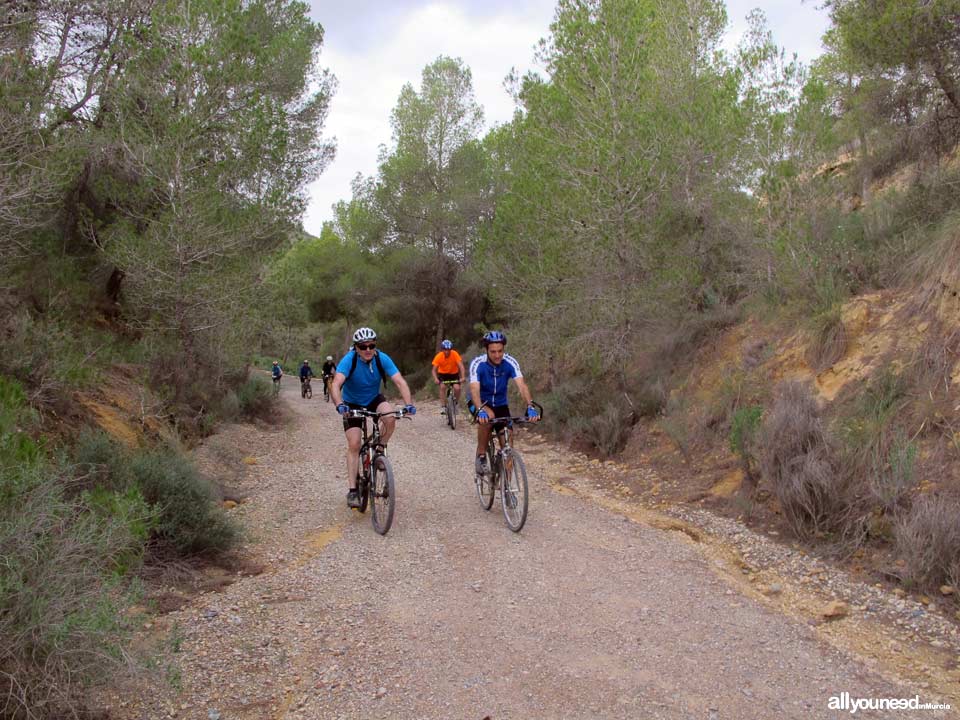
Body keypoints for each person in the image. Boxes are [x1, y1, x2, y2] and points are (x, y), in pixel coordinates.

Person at [330, 327, 416, 508]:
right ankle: (353, 491)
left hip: (373, 399)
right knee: (354, 444)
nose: (368, 349)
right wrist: (340, 405)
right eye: (363, 346)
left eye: (371, 345)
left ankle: (380, 448)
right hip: (351, 403)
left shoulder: (381, 358)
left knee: (390, 418)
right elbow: (336, 384)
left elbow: (399, 381)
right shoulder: (349, 360)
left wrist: (409, 404)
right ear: (356, 347)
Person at [468, 330, 539, 475]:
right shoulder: (478, 363)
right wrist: (480, 409)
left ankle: (506, 487)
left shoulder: (509, 362)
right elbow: (474, 389)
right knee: (488, 417)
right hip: (479, 403)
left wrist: (530, 406)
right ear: (486, 350)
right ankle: (481, 455)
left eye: (500, 351)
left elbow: (522, 385)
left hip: (501, 405)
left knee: (508, 440)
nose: (497, 355)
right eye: (493, 351)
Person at [431, 339, 466, 413]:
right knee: (442, 387)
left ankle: (456, 404)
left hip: (454, 374)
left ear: (451, 349)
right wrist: (435, 379)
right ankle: (443, 406)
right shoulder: (439, 356)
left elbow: (461, 367)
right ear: (442, 349)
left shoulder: (455, 354)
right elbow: (433, 370)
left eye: (448, 350)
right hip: (443, 374)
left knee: (457, 388)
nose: (447, 351)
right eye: (445, 350)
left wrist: (463, 377)